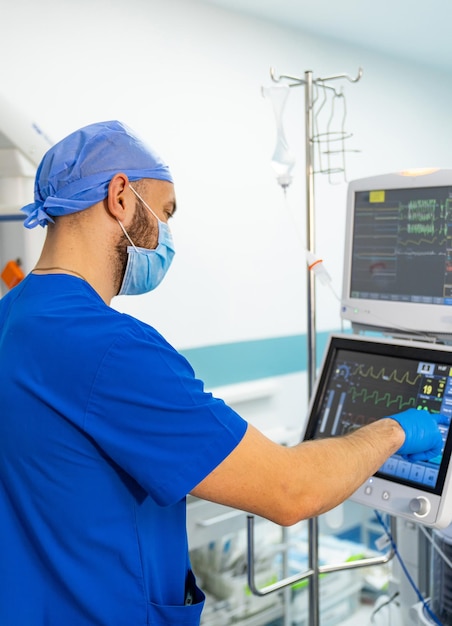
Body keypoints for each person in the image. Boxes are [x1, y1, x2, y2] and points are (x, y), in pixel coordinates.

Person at [0, 120, 444, 626]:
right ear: (120, 196)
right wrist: (398, 429)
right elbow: (291, 491)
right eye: (164, 213)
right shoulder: (110, 347)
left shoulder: (12, 315)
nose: (166, 236)